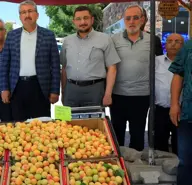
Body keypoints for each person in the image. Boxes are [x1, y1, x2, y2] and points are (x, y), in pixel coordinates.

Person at [0, 0, 60, 121]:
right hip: (17, 87)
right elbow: (4, 65)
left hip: (40, 87)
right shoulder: (12, 36)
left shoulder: (48, 35)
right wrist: (4, 88)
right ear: (20, 17)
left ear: (37, 15)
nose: (27, 15)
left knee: (42, 126)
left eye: (30, 11)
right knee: (19, 127)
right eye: (23, 12)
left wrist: (55, 91)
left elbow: (55, 65)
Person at [60, 6, 120, 107]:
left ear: (92, 20)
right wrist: (63, 92)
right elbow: (64, 69)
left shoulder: (105, 39)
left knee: (95, 122)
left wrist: (108, 94)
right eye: (78, 19)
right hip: (71, 91)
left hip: (95, 91)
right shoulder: (67, 41)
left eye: (86, 18)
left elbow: (112, 68)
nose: (82, 22)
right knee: (69, 122)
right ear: (74, 21)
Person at [111, 5, 150, 151]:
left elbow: (158, 68)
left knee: (138, 133)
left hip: (141, 96)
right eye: (128, 18)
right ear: (123, 20)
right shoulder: (113, 40)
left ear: (142, 19)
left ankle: (136, 166)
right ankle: (119, 167)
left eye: (135, 17)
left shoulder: (153, 40)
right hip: (118, 95)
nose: (131, 21)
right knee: (117, 133)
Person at [154, 33, 183, 155]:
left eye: (177, 41)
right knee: (159, 146)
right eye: (170, 41)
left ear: (183, 46)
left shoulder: (187, 62)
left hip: (181, 111)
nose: (173, 44)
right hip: (160, 110)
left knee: (180, 145)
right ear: (165, 45)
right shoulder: (156, 61)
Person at [169, 35, 192, 185]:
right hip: (188, 112)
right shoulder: (188, 46)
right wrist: (174, 104)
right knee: (185, 160)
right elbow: (178, 75)